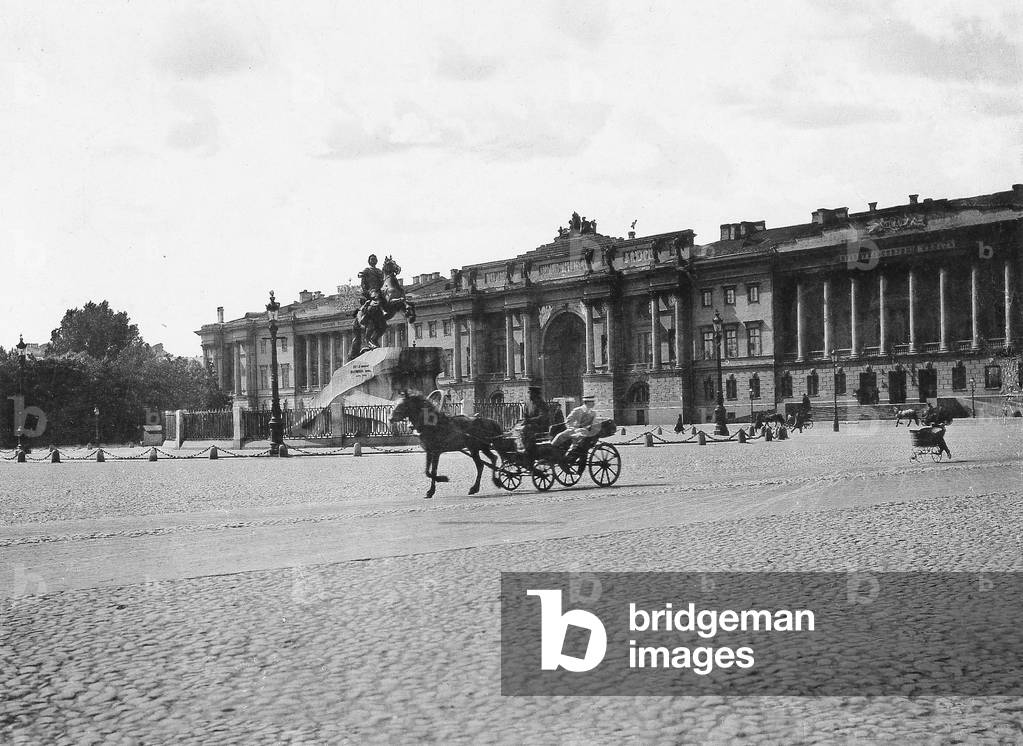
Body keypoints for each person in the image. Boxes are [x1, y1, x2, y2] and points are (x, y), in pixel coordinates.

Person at [519, 386, 550, 462]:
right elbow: (525, 414)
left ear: (536, 394)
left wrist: (529, 420)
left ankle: (527, 449)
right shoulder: (528, 403)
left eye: (531, 393)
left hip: (541, 426)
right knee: (517, 429)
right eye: (529, 393)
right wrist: (524, 420)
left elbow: (543, 417)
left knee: (526, 429)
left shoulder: (542, 403)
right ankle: (517, 448)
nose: (529, 395)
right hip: (530, 425)